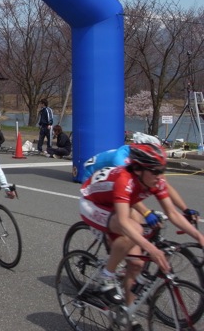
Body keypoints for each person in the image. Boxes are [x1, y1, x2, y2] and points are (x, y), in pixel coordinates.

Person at [79, 143, 204, 310]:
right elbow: (123, 222)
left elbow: (173, 214)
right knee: (134, 229)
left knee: (136, 264)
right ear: (139, 169)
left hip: (116, 203)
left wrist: (199, 237)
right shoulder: (125, 180)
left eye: (162, 170)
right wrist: (151, 249)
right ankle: (106, 276)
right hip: (92, 202)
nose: (161, 176)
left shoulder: (153, 179)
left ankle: (127, 315)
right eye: (156, 171)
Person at [83, 132, 200, 225]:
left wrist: (185, 209)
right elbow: (125, 190)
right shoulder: (121, 159)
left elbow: (166, 186)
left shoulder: (146, 162)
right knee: (127, 220)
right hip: (91, 173)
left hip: (112, 176)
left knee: (136, 222)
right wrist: (146, 212)